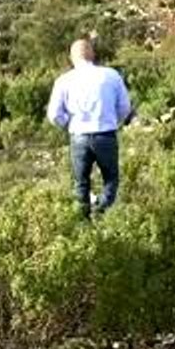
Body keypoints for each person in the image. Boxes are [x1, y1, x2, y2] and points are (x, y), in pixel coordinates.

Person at [46, 39, 134, 219]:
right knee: (111, 180)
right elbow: (125, 107)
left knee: (81, 184)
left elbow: (54, 114)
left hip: (79, 136)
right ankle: (101, 211)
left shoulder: (64, 80)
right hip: (106, 135)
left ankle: (83, 222)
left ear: (72, 58)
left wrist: (68, 125)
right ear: (92, 54)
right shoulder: (111, 75)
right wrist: (113, 121)